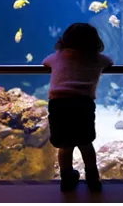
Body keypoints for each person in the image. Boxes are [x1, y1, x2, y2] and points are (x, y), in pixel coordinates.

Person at [42, 23, 114, 192]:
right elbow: (109, 61)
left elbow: (45, 62)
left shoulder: (57, 57)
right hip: (83, 104)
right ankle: (92, 178)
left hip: (59, 104)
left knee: (65, 146)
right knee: (86, 143)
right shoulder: (96, 59)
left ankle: (66, 179)